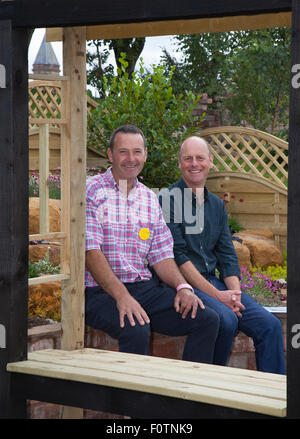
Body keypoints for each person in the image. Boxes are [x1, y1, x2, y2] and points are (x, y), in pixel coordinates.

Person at [84, 125, 220, 363]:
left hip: (143, 288)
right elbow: (90, 252)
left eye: (137, 152)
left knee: (207, 319)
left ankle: (187, 394)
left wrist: (182, 287)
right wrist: (122, 296)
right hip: (100, 291)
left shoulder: (148, 197)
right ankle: (135, 400)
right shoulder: (92, 191)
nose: (131, 159)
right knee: (136, 330)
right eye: (123, 151)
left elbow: (161, 254)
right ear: (110, 154)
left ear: (145, 155)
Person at [158, 136, 286, 374]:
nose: (194, 163)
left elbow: (227, 257)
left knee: (269, 326)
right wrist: (219, 296)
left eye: (200, 158)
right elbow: (178, 256)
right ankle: (210, 392)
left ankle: (275, 398)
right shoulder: (167, 200)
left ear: (210, 162)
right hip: (183, 283)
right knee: (226, 320)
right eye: (188, 158)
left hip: (213, 282)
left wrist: (234, 294)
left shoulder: (216, 205)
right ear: (179, 163)